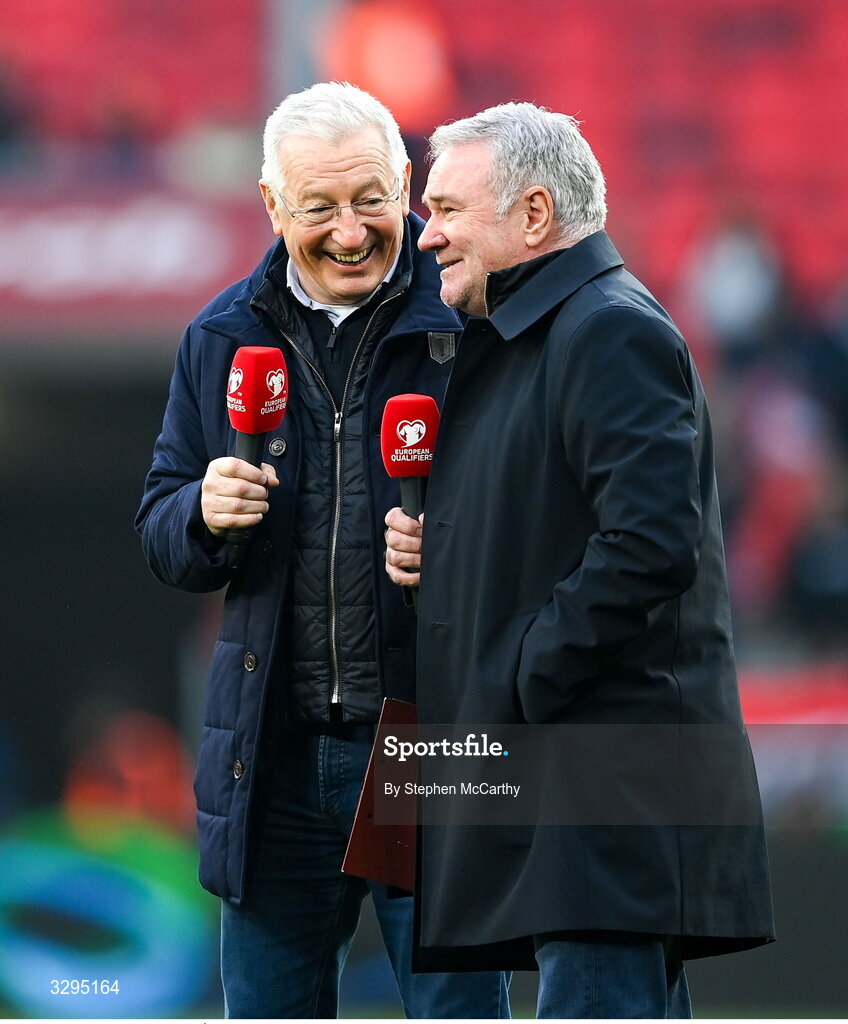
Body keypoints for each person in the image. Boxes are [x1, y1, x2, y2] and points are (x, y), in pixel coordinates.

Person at [384, 102, 775, 1019]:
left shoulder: (607, 329)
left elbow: (648, 544)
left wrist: (524, 670)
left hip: (604, 789)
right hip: (575, 785)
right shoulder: (531, 337)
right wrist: (442, 552)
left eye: (446, 209)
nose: (426, 234)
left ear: (532, 216)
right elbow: (559, 526)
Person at [136, 82, 510, 1020]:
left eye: (371, 199)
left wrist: (463, 549)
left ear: (409, 186)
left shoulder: (474, 326)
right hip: (273, 753)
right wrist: (200, 512)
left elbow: (543, 518)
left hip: (430, 741)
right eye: (319, 207)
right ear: (272, 205)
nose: (350, 232)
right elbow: (159, 532)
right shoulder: (221, 336)